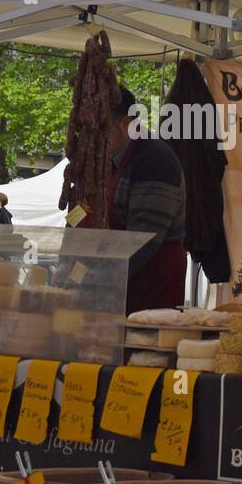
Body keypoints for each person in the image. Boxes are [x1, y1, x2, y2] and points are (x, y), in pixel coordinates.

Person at [101, 86, 186, 314]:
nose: (95, 137)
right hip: (115, 286)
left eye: (102, 129)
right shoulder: (106, 158)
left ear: (126, 123)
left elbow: (140, 242)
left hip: (150, 287)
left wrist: (92, 281)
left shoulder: (155, 160)